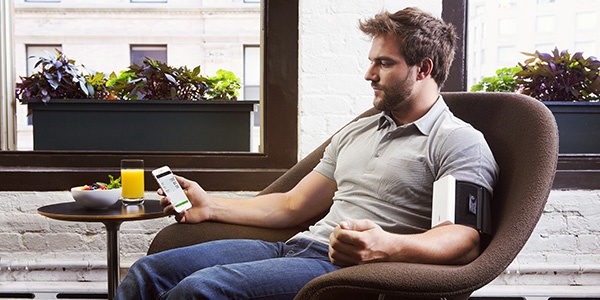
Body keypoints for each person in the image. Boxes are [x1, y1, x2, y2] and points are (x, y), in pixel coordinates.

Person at [115, 7, 498, 300]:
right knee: (148, 272)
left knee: (201, 289)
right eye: (371, 61)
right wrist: (209, 205)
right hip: (292, 247)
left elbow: (463, 240)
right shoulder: (358, 130)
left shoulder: (457, 141)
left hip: (344, 270)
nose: (369, 74)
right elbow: (293, 206)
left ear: (423, 69)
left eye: (384, 63)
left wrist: (389, 246)